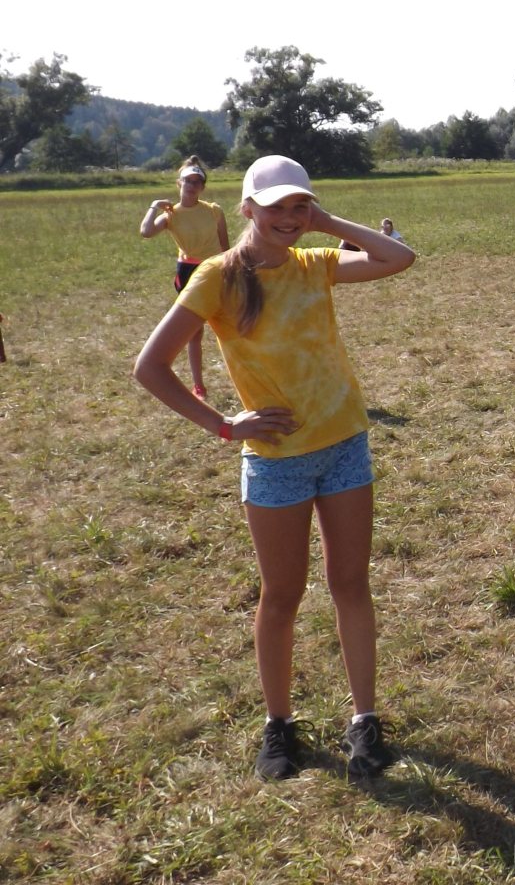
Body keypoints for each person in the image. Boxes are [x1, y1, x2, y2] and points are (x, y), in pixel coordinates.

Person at [133, 155, 417, 779]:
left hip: (345, 447)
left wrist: (326, 222)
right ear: (247, 209)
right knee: (282, 595)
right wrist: (224, 424)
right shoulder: (217, 276)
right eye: (276, 207)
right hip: (276, 463)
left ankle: (364, 719)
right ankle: (279, 725)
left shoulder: (314, 263)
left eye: (299, 206)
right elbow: (150, 367)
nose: (289, 218)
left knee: (351, 584)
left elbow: (400, 257)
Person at [139, 156, 230, 398]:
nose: (192, 185)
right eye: (188, 181)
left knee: (229, 324)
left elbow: (225, 246)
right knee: (194, 332)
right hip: (189, 272)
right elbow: (146, 232)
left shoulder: (214, 210)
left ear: (202, 187)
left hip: (215, 268)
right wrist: (154, 206)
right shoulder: (171, 214)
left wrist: (231, 271)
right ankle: (198, 385)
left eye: (197, 182)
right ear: (179, 183)